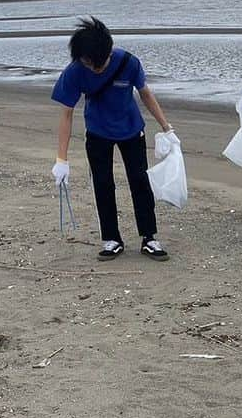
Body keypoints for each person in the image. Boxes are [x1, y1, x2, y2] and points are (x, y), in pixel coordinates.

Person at [50, 17, 174, 262]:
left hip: (131, 129)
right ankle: (111, 239)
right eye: (88, 63)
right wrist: (61, 159)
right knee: (103, 184)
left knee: (140, 181)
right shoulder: (75, 71)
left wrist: (166, 127)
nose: (94, 69)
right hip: (97, 132)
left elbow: (146, 94)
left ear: (108, 51)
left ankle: (149, 237)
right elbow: (66, 114)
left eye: (99, 64)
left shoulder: (128, 62)